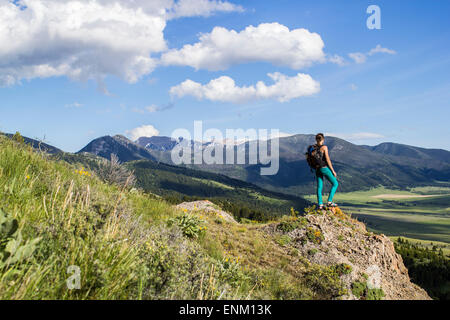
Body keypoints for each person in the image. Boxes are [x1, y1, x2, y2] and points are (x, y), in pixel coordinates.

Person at [314, 133, 339, 210]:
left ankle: (320, 204)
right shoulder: (324, 147)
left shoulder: (313, 148)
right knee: (335, 183)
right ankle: (329, 201)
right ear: (323, 139)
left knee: (319, 187)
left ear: (316, 139)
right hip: (324, 168)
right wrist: (333, 171)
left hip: (317, 169)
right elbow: (327, 160)